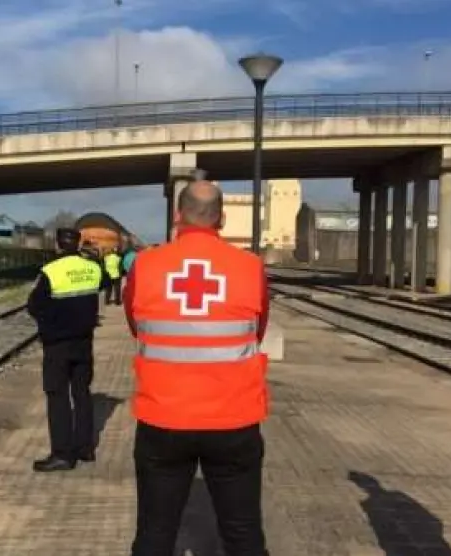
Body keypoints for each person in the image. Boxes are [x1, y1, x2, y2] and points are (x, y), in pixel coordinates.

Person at [123, 178, 271, 555]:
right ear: (222, 219)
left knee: (155, 532)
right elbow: (257, 331)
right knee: (243, 533)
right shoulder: (250, 267)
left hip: (163, 418)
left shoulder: (145, 265)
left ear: (178, 216)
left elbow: (137, 327)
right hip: (233, 418)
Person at [27, 227, 110, 472]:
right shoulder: (92, 268)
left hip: (58, 344)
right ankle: (85, 448)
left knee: (58, 396)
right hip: (84, 341)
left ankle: (62, 454)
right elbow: (106, 282)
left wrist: (50, 323)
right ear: (78, 244)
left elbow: (34, 305)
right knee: (82, 393)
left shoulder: (51, 270)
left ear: (58, 245)